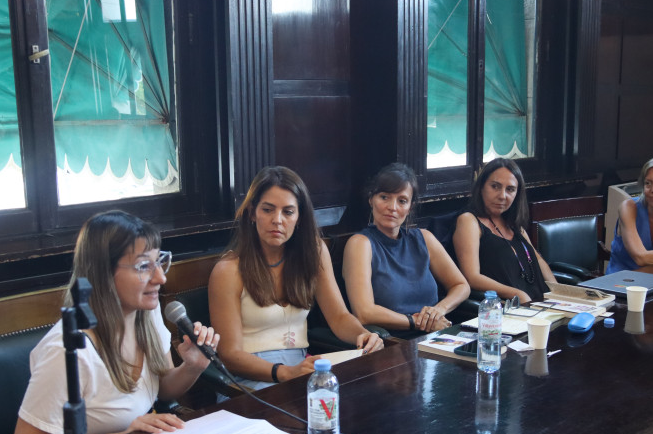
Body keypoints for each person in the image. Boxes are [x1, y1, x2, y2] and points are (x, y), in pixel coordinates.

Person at [12, 210, 218, 434]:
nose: (161, 278)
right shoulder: (67, 350)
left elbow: (163, 388)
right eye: (143, 266)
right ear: (103, 274)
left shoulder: (148, 313)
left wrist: (192, 366)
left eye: (159, 261)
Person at [208, 166, 384, 392]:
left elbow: (339, 317)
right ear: (252, 213)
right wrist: (285, 372)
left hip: (301, 370)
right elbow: (230, 355)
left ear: (300, 217)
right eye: (268, 210)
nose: (277, 220)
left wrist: (364, 335)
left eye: (288, 212)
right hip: (247, 381)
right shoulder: (228, 270)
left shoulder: (314, 252)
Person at [342, 163, 470, 338]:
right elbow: (364, 313)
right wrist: (416, 322)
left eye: (402, 201)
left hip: (436, 336)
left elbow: (461, 285)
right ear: (371, 199)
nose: (392, 207)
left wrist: (439, 310)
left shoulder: (424, 238)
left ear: (410, 207)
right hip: (393, 343)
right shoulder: (360, 244)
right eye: (384, 197)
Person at [452, 158, 556, 304]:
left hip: (541, 304)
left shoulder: (513, 223)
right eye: (495, 186)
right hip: (507, 307)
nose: (502, 196)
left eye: (510, 189)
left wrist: (558, 293)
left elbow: (537, 260)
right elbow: (472, 277)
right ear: (481, 187)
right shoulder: (469, 221)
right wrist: (517, 294)